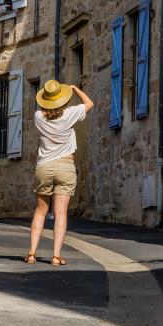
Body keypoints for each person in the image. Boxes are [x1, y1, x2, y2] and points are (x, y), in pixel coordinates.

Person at [25, 79, 94, 266]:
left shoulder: (39, 116)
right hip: (65, 166)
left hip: (44, 167)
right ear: (63, 99)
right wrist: (74, 89)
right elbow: (89, 103)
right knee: (61, 212)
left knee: (40, 211)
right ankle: (56, 256)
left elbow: (43, 110)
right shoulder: (70, 114)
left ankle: (32, 253)